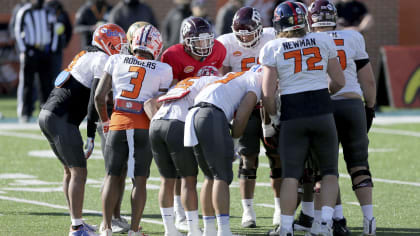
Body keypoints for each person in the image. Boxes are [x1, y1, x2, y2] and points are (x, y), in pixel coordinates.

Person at [260, 2, 346, 235]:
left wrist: (275, 117)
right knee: (329, 171)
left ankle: (286, 228)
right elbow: (339, 82)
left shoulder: (273, 47)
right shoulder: (323, 40)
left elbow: (267, 94)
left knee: (290, 175)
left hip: (292, 114)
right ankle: (325, 225)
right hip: (322, 112)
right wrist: (319, 94)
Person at [38, 23, 126, 236]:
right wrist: (91, 136)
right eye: (118, 43)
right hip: (62, 119)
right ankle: (77, 228)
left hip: (47, 115)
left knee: (70, 171)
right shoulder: (102, 58)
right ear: (107, 42)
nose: (121, 47)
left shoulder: (86, 53)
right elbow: (95, 101)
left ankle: (76, 222)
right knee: (79, 172)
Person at [306, 1, 376, 235]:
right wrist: (370, 107)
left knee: (325, 169)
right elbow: (368, 80)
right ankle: (369, 221)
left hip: (323, 106)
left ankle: (331, 220)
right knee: (359, 165)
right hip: (352, 103)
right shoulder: (353, 37)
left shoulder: (307, 39)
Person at [94, 24, 172, 236]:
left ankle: (106, 227)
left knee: (111, 175)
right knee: (139, 180)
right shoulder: (164, 69)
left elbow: (100, 97)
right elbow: (161, 104)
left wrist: (106, 122)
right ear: (156, 47)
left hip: (118, 122)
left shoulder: (116, 59)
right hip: (143, 126)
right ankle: (135, 230)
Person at [216, 6, 281, 228]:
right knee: (247, 159)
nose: (244, 38)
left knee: (276, 157)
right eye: (240, 34)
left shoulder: (273, 36)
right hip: (244, 107)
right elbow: (223, 77)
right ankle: (248, 210)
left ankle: (279, 208)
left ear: (260, 29)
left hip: (271, 104)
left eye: (249, 33)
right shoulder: (226, 42)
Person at [161, 16, 226, 231]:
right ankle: (180, 211)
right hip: (181, 114)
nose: (204, 45)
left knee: (206, 168)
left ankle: (199, 215)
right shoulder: (172, 55)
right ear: (186, 41)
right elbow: (170, 90)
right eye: (198, 41)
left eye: (207, 40)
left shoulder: (218, 50)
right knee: (184, 169)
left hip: (205, 113)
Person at [184, 65, 264, 236]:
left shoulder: (235, 76)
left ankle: (210, 230)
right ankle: (224, 231)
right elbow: (242, 116)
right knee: (221, 176)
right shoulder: (256, 80)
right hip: (211, 115)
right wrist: (235, 142)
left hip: (193, 114)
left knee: (209, 176)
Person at [148, 71, 220, 236]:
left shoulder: (183, 83)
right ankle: (193, 229)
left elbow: (150, 103)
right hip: (177, 124)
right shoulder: (212, 81)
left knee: (167, 180)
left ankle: (169, 230)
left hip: (156, 124)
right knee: (188, 180)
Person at [14, 0, 61, 123]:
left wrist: (52, 49)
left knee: (45, 83)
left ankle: (45, 111)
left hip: (44, 51)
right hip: (30, 50)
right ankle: (26, 112)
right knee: (27, 83)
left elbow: (54, 30)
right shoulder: (24, 11)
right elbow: (17, 31)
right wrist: (24, 50)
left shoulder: (48, 12)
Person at [45, 0, 73, 86]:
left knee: (55, 74)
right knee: (45, 75)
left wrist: (64, 44)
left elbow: (69, 29)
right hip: (44, 49)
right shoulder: (44, 12)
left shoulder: (63, 14)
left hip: (57, 50)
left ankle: (53, 95)